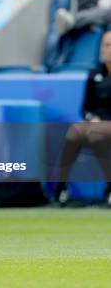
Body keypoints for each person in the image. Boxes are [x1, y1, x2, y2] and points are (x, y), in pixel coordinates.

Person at [55, 29, 111, 206]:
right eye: (106, 45)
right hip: (96, 125)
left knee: (93, 133)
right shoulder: (95, 74)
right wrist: (91, 117)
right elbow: (85, 108)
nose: (109, 49)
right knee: (75, 131)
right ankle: (61, 187)